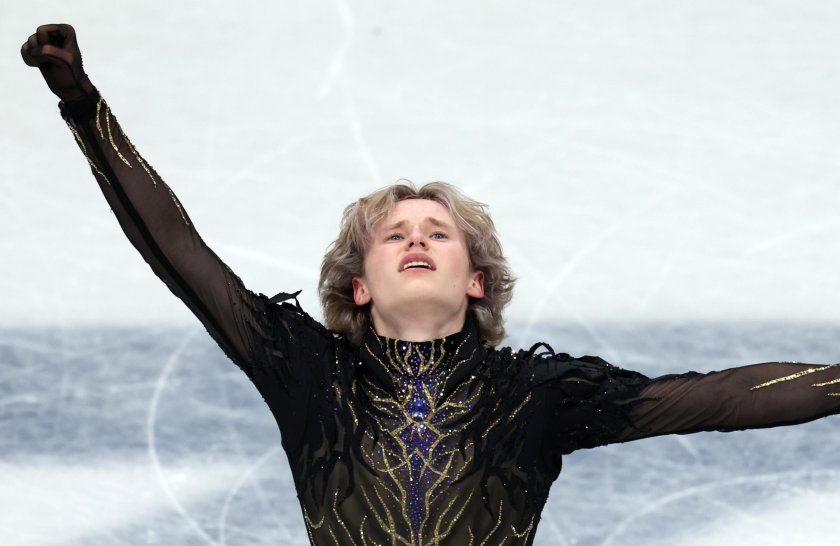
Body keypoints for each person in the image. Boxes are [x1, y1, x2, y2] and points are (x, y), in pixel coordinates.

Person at [22, 23, 840, 546]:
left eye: (438, 233)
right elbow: (178, 252)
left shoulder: (534, 396)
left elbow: (715, 399)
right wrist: (84, 107)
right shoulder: (308, 372)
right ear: (360, 286)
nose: (416, 238)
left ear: (476, 281)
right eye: (394, 234)